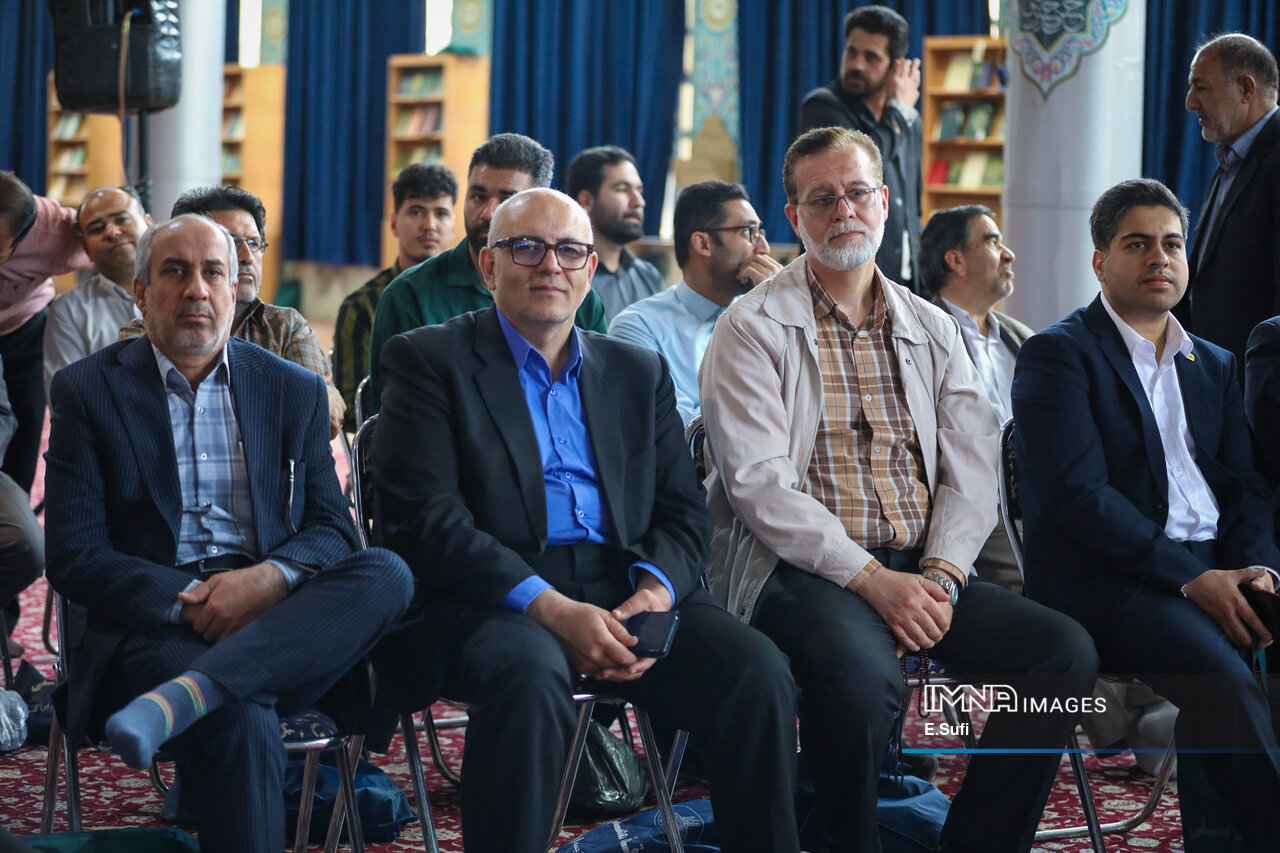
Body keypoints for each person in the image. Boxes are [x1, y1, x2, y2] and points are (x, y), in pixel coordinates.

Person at [699, 126, 1098, 853]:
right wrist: (873, 580)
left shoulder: (932, 327)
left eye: (857, 193)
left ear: (885, 202)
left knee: (1063, 653)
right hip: (803, 572)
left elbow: (973, 466)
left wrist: (941, 574)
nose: (843, 211)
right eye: (822, 199)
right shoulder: (751, 326)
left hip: (924, 566)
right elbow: (758, 484)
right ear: (794, 217)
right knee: (861, 680)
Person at [372, 188, 800, 853]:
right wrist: (549, 607)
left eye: (570, 250)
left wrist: (656, 592)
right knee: (528, 674)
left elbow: (683, 512)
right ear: (488, 266)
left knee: (756, 671)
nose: (551, 264)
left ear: (590, 269)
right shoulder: (428, 360)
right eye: (526, 247)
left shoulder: (635, 370)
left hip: (628, 586)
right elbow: (427, 523)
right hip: (492, 597)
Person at [44, 214, 413, 852]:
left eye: (213, 272)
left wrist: (266, 581)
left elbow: (333, 528)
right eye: (176, 272)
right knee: (241, 716)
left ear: (234, 287)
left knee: (389, 571)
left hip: (278, 612)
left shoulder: (291, 389)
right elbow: (75, 553)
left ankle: (197, 692)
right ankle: (210, 690)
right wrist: (193, 603)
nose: (197, 289)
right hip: (155, 627)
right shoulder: (88, 389)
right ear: (141, 292)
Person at [1013, 178, 1280, 850]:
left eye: (1172, 244)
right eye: (1138, 244)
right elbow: (1082, 498)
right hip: (1110, 581)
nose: (1160, 257)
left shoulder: (1212, 362)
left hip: (1214, 570)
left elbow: (1247, 488)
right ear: (1100, 261)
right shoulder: (1058, 355)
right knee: (1220, 679)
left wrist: (1257, 567)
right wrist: (1192, 580)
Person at [368, 133, 608, 413]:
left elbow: (598, 403)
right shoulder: (408, 296)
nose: (487, 213)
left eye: (508, 200)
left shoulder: (573, 296)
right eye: (478, 196)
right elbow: (400, 420)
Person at [119, 186, 345, 437]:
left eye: (254, 243)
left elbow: (322, 420)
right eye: (232, 241)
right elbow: (140, 420)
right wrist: (291, 400)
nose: (246, 256)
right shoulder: (143, 333)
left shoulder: (286, 327)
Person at [918, 204, 1028, 590]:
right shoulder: (920, 335)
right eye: (993, 241)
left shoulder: (1023, 337)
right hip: (974, 505)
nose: (1009, 254)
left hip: (1038, 498)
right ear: (956, 260)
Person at [610, 180, 780, 425]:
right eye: (749, 232)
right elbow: (671, 423)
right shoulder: (638, 327)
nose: (764, 248)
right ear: (703, 243)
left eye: (760, 233)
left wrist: (780, 311)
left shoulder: (764, 315)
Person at [798, 5, 923, 293]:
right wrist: (899, 111)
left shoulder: (909, 121)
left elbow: (912, 206)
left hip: (904, 283)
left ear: (896, 67)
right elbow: (864, 161)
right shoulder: (823, 106)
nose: (857, 65)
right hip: (840, 280)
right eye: (851, 52)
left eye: (871, 57)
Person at [1181, 33, 1280, 373]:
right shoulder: (1232, 157)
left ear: (1246, 89)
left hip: (1259, 384)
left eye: (1201, 87)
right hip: (1219, 375)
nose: (1190, 102)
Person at [332, 162, 457, 426]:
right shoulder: (361, 306)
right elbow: (353, 407)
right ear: (393, 223)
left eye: (441, 213)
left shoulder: (469, 296)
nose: (430, 225)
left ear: (454, 225)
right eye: (416, 212)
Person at [0, 171, 91, 492]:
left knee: (23, 421)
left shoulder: (58, 233)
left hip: (23, 325)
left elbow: (126, 243)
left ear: (20, 241)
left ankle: (15, 503)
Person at [44, 187, 152, 394]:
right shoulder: (69, 310)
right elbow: (68, 397)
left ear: (149, 224)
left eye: (122, 219)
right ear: (86, 249)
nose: (111, 232)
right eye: (96, 228)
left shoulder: (183, 291)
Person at [566, 145, 665, 320]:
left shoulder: (649, 277)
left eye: (639, 191)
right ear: (587, 201)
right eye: (622, 190)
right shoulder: (565, 275)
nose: (638, 202)